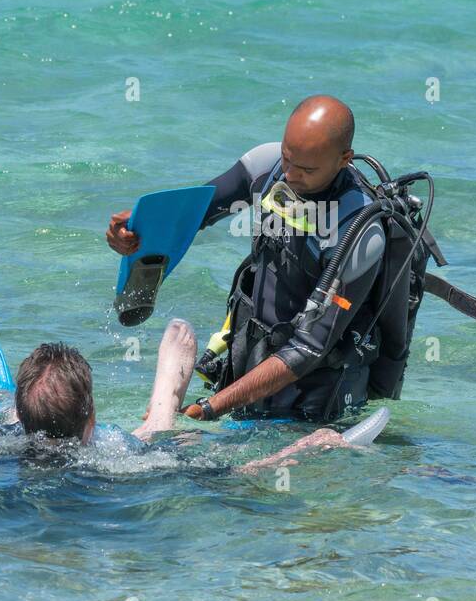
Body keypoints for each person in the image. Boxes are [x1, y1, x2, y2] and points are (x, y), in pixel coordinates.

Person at [106, 95, 390, 424]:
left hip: (313, 401)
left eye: (307, 169)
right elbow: (192, 214)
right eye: (288, 158)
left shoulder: (359, 234)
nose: (291, 175)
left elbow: (309, 348)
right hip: (248, 370)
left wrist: (211, 407)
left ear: (344, 159)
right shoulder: (266, 167)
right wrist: (137, 231)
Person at [11, 317, 358, 468]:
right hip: (103, 483)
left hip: (34, 459)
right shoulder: (111, 466)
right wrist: (299, 451)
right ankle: (163, 409)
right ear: (92, 416)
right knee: (155, 444)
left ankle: (163, 411)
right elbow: (232, 476)